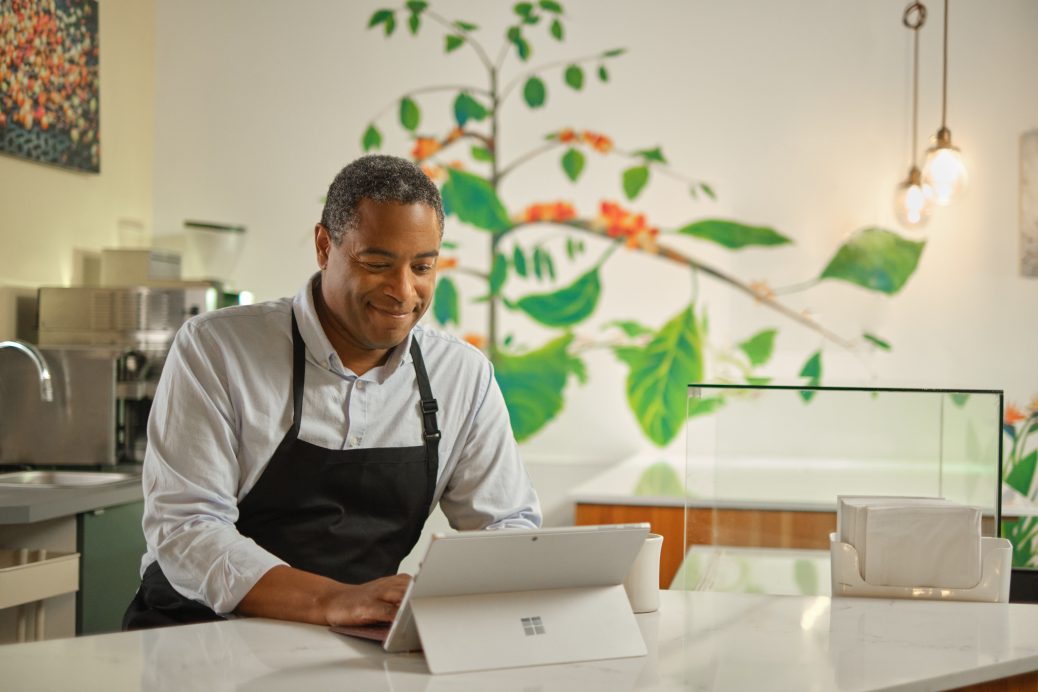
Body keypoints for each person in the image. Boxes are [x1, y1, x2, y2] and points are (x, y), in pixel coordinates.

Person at [123, 155, 541, 631]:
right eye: (377, 263)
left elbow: (507, 527)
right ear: (324, 246)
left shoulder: (461, 375)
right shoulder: (217, 348)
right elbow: (187, 529)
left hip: (353, 643)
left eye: (422, 267)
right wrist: (333, 602)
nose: (404, 292)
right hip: (195, 635)